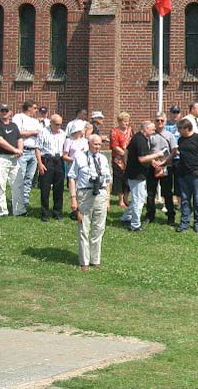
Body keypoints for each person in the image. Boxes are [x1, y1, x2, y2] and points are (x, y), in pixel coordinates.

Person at [68, 134, 112, 272]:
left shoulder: (103, 159)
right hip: (85, 194)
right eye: (95, 144)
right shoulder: (80, 157)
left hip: (101, 194)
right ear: (89, 144)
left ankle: (95, 259)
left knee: (99, 228)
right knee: (84, 228)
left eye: (99, 144)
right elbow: (72, 178)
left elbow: (108, 180)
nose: (98, 147)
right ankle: (84, 261)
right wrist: (73, 198)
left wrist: (108, 199)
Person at [122, 121, 167, 232]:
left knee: (140, 196)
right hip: (136, 174)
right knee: (139, 200)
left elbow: (127, 152)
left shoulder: (140, 138)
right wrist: (157, 154)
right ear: (145, 128)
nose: (154, 131)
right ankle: (135, 225)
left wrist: (152, 161)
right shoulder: (140, 140)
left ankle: (126, 217)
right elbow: (141, 159)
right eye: (152, 129)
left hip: (137, 173)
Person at [175, 118, 198, 233]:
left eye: (180, 129)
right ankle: (184, 223)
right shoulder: (180, 140)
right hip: (183, 174)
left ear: (187, 128)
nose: (178, 132)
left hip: (196, 174)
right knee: (185, 200)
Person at [0, 104, 26, 217]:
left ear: (10, 112)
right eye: (2, 110)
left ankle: (18, 210)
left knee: (17, 185)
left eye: (6, 110)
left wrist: (20, 149)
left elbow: (19, 138)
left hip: (14, 159)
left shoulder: (14, 126)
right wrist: (14, 150)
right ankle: (2, 211)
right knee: (0, 184)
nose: (4, 112)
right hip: (0, 158)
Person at [145, 112, 178, 225]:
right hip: (152, 167)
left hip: (166, 167)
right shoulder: (150, 136)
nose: (159, 123)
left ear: (165, 121)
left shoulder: (169, 135)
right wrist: (152, 161)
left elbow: (174, 151)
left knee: (167, 192)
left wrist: (164, 162)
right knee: (150, 192)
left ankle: (170, 216)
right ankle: (150, 215)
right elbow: (147, 151)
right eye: (157, 120)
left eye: (162, 121)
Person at [35, 114, 66, 222]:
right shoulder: (43, 132)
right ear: (51, 123)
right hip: (47, 160)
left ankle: (57, 212)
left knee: (59, 188)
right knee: (45, 188)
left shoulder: (62, 134)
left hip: (59, 161)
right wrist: (40, 164)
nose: (59, 127)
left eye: (60, 125)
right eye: (56, 124)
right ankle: (45, 213)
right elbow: (38, 149)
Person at [12, 100, 41, 207]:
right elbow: (17, 132)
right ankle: (15, 198)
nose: (36, 110)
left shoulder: (35, 121)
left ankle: (25, 199)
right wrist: (33, 133)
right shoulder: (18, 117)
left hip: (34, 151)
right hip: (22, 150)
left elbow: (40, 133)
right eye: (35, 108)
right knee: (20, 175)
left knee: (29, 177)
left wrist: (29, 133)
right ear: (29, 108)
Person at [109, 111, 133, 209]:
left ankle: (127, 198)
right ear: (119, 121)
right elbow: (114, 146)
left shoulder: (130, 131)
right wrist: (124, 153)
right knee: (119, 179)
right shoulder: (114, 131)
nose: (126, 124)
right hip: (118, 159)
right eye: (124, 122)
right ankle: (121, 200)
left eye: (127, 121)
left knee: (127, 180)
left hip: (129, 159)